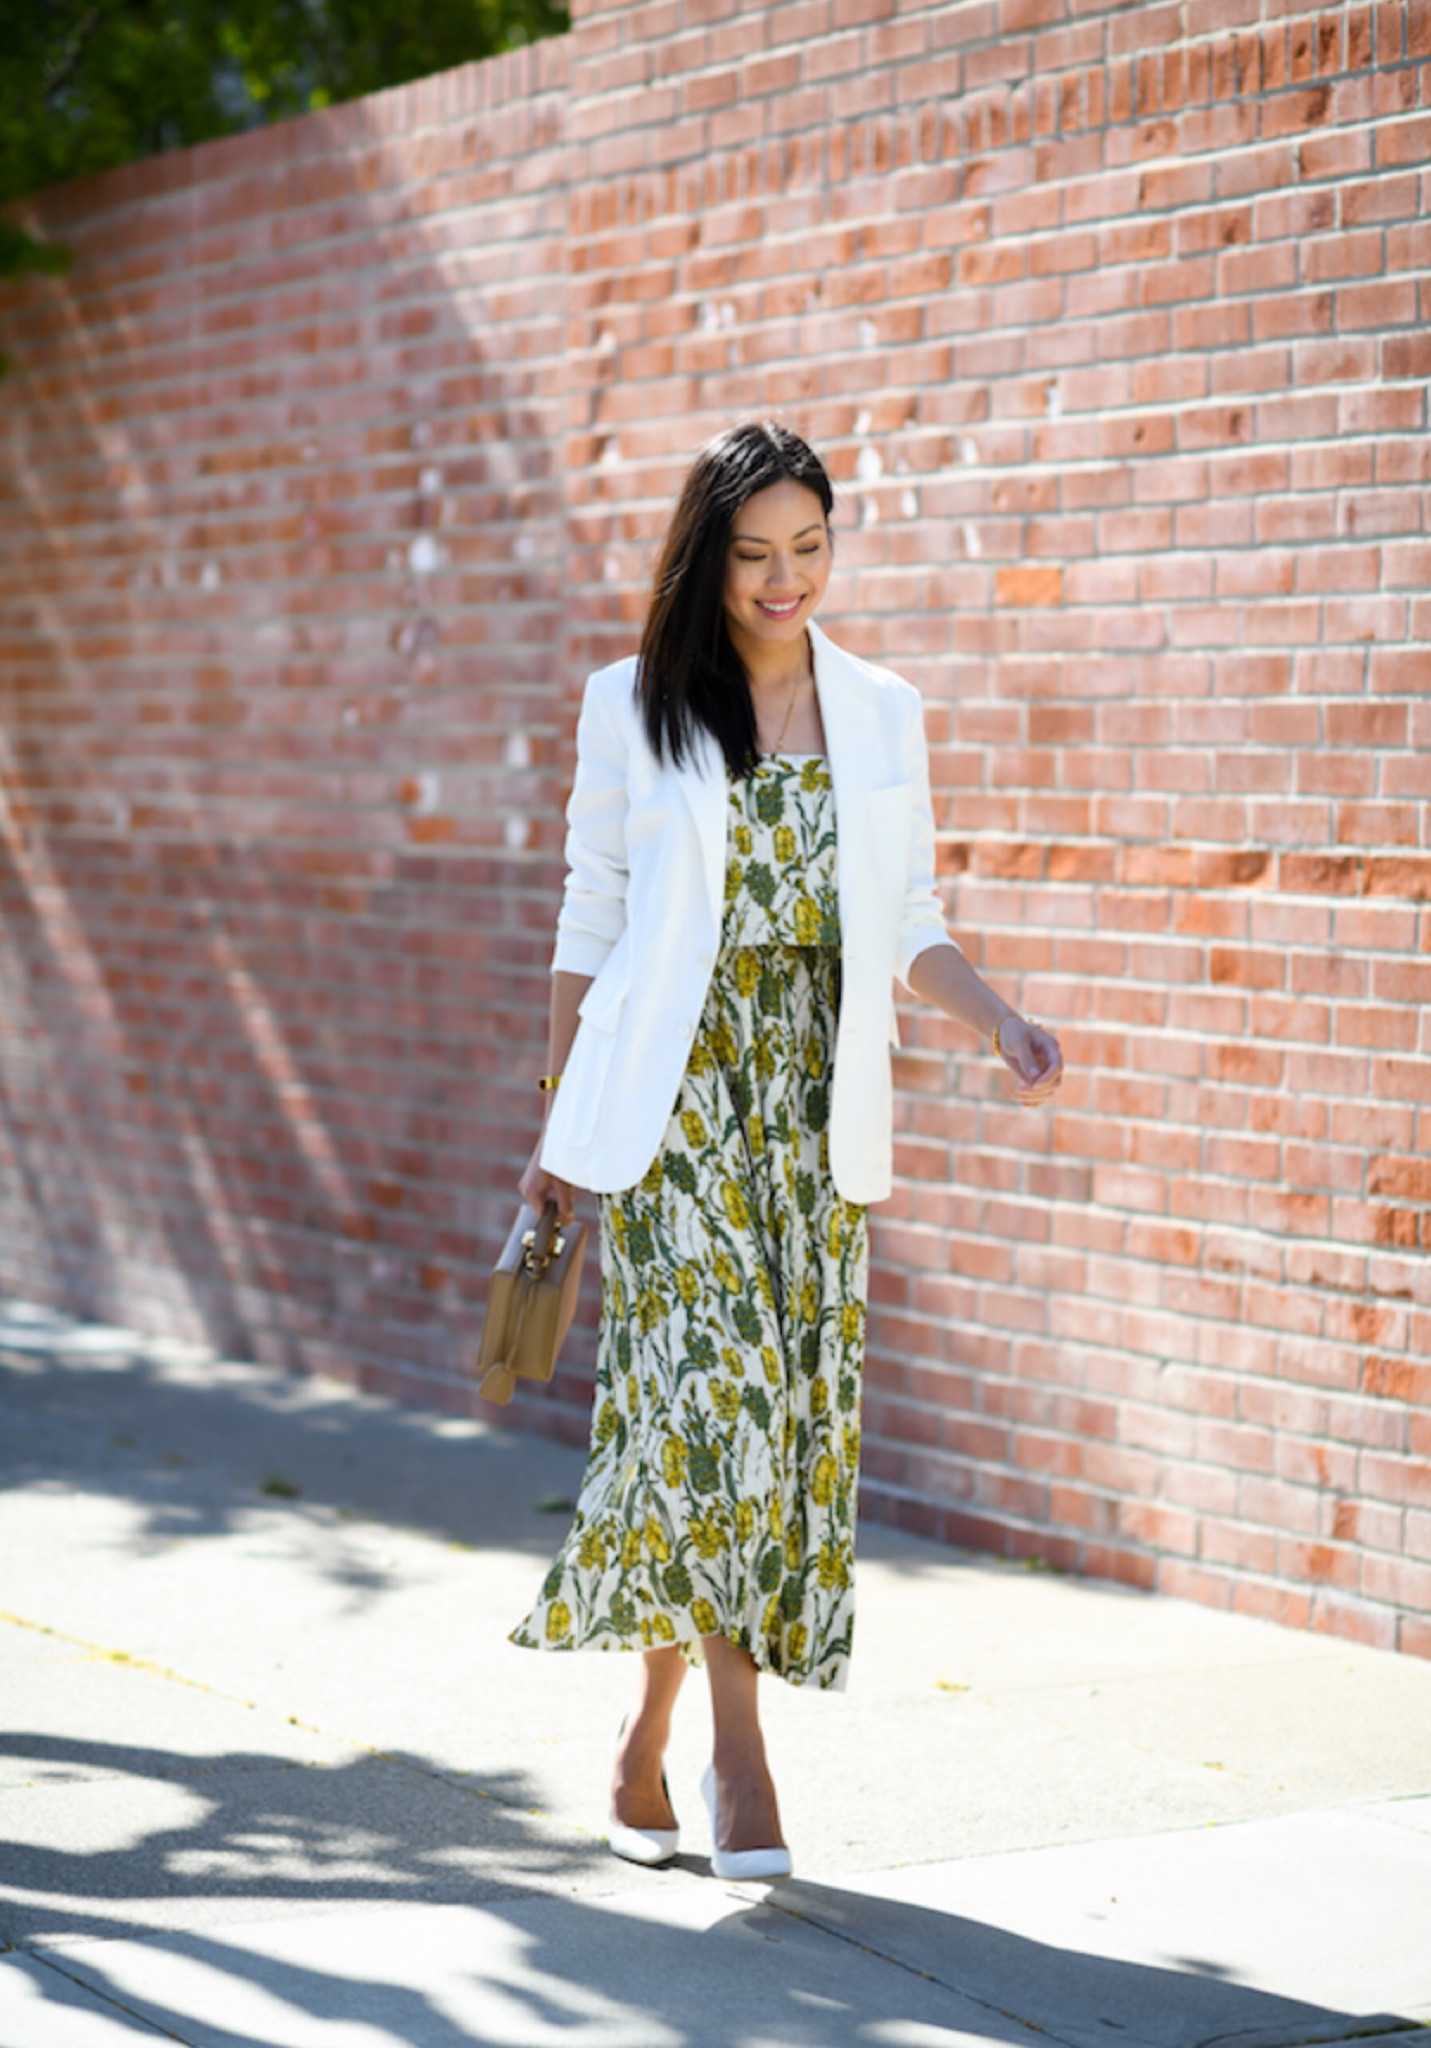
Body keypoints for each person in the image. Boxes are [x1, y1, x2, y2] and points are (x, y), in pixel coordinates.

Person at [511, 421, 1062, 1881]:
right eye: (755, 553)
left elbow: (910, 921)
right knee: (721, 1404)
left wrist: (996, 1017)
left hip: (814, 1115)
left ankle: (641, 1735)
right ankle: (734, 1760)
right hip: (678, 1106)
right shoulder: (632, 706)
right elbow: (588, 923)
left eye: (810, 549)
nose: (784, 579)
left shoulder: (881, 707)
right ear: (710, 557)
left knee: (773, 1429)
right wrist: (558, 1129)